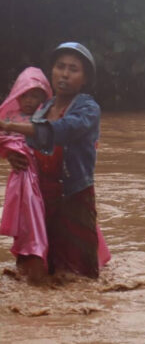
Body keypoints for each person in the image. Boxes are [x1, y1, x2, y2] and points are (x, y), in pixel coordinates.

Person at [0, 43, 110, 278]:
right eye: (60, 67)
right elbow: (28, 145)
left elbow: (61, 130)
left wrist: (8, 125)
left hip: (74, 197)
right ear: (52, 71)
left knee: (78, 274)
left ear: (85, 79)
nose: (65, 74)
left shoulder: (88, 108)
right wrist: (12, 156)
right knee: (41, 270)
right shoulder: (43, 108)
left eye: (74, 69)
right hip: (43, 198)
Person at [0, 67, 52, 281]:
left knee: (45, 216)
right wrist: (9, 152)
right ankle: (29, 254)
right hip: (22, 176)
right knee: (27, 213)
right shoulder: (9, 117)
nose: (29, 101)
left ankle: (38, 255)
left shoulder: (47, 118)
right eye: (25, 95)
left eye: (35, 96)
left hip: (45, 176)